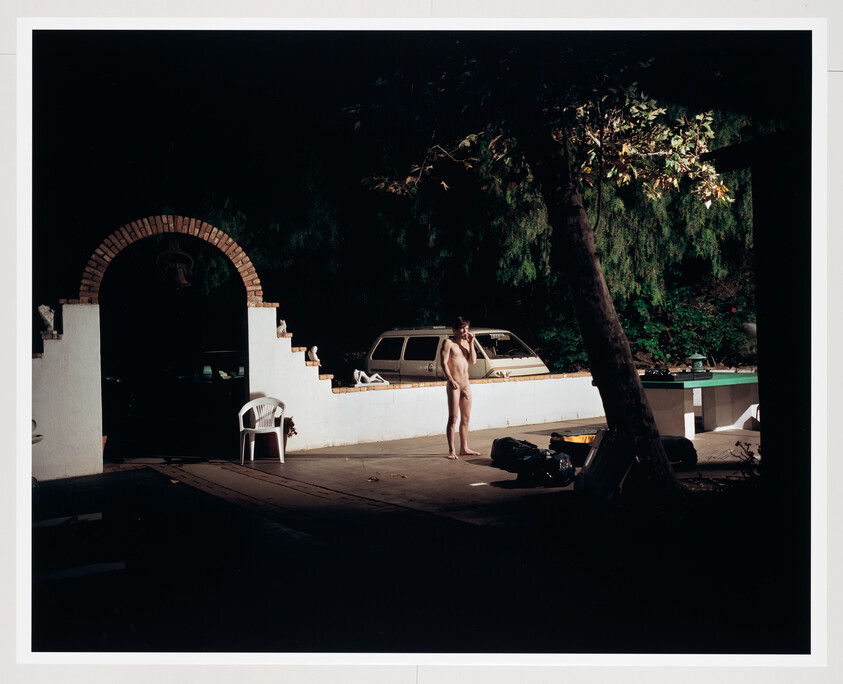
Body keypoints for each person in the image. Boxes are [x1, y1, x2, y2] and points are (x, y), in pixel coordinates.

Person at [441, 316, 480, 459]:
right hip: (454, 384)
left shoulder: (466, 343)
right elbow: (443, 363)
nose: (465, 331)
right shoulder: (448, 343)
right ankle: (452, 450)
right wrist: (450, 379)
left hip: (466, 384)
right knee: (453, 417)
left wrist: (471, 343)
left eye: (467, 328)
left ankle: (464, 448)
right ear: (455, 330)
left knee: (466, 418)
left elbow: (473, 361)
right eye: (462, 329)